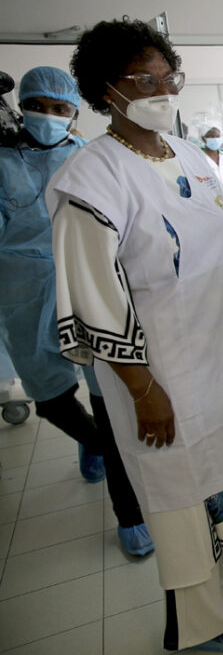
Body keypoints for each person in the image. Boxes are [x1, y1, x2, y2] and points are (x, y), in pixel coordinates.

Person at [47, 19, 223, 652]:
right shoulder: (89, 179)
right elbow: (91, 294)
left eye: (167, 75)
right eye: (141, 79)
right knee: (178, 495)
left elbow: (220, 251)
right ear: (104, 90)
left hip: (218, 355)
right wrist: (142, 388)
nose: (160, 88)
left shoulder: (190, 156)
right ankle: (197, 624)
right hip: (156, 370)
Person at [0, 66, 153, 555]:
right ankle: (91, 443)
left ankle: (128, 515)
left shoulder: (88, 156)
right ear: (21, 106)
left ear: (74, 113)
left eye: (60, 109)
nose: (48, 117)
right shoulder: (1, 158)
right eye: (37, 107)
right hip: (24, 292)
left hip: (85, 287)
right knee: (49, 396)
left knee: (108, 402)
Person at [200, 121, 223, 187]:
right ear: (203, 138)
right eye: (211, 137)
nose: (215, 139)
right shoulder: (198, 158)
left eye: (217, 136)